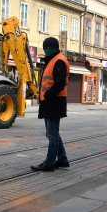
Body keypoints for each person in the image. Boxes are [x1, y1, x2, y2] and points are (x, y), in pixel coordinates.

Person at [31, 37, 70, 172]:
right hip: (51, 102)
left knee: (52, 134)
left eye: (46, 48)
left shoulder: (58, 60)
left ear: (51, 47)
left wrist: (47, 95)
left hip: (54, 102)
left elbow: (59, 83)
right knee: (54, 133)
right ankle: (63, 159)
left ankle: (49, 163)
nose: (45, 50)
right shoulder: (53, 60)